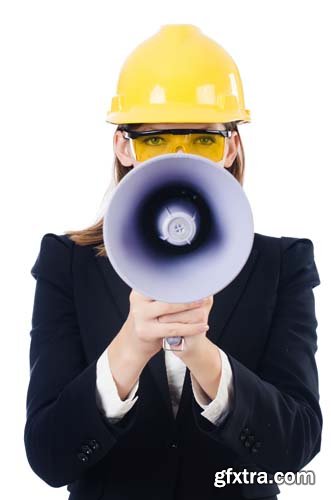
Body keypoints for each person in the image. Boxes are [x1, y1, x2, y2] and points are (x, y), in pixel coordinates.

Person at [24, 24, 322, 500]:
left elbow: (296, 448)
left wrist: (202, 357)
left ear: (232, 147)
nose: (178, 156)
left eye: (203, 139)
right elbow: (48, 457)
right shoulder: (68, 264)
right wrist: (130, 347)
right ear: (123, 146)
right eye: (157, 139)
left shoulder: (282, 265)